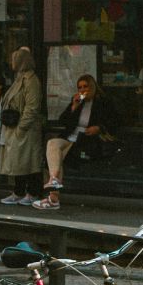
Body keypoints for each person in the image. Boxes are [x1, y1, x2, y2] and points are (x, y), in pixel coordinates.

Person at [33, 74, 118, 211]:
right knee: (52, 144)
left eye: (86, 86)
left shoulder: (103, 102)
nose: (83, 90)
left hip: (86, 141)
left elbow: (115, 122)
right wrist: (73, 106)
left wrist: (99, 128)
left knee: (56, 157)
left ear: (92, 86)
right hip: (70, 138)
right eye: (80, 87)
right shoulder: (78, 102)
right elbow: (63, 121)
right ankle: (54, 180)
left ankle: (53, 198)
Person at [0, 47, 43, 206]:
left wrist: (21, 127)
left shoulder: (31, 81)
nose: (12, 62)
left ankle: (32, 192)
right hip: (17, 128)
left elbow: (32, 107)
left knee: (29, 162)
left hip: (25, 129)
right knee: (19, 162)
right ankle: (19, 191)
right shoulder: (19, 78)